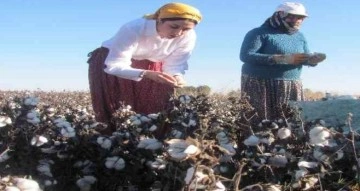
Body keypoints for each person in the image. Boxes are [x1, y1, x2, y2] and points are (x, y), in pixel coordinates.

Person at [87, 2, 202, 130]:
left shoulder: (189, 36)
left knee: (156, 110)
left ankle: (150, 145)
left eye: (186, 29)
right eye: (174, 26)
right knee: (118, 111)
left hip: (153, 65)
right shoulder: (134, 28)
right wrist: (146, 73)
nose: (179, 33)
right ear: (159, 20)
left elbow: (175, 64)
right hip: (115, 62)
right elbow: (114, 65)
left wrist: (176, 76)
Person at [239, 2, 326, 123]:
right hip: (260, 85)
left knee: (290, 122)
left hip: (291, 85)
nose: (296, 20)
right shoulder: (258, 33)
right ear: (279, 15)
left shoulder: (300, 36)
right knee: (260, 123)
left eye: (300, 17)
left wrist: (311, 60)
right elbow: (246, 55)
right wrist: (282, 58)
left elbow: (302, 57)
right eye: (291, 16)